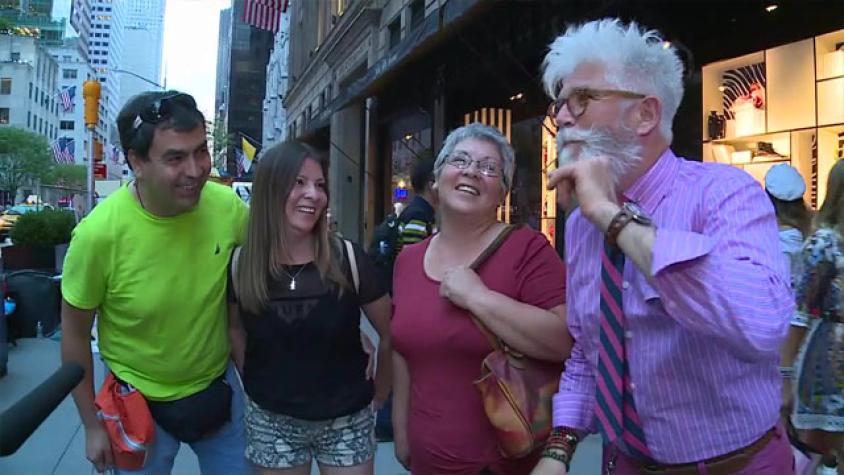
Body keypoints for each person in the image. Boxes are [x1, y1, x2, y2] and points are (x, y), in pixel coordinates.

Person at [531, 19, 794, 475]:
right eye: (560, 104)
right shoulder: (580, 226)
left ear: (645, 115)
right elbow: (588, 349)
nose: (564, 117)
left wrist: (614, 220)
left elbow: (762, 323)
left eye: (583, 99)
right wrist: (559, 448)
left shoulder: (724, 193)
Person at [61, 91, 250, 474]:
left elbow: (275, 270)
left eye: (201, 151)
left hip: (217, 389)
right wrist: (91, 426)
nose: (196, 170)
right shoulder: (97, 236)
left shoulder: (229, 208)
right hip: (136, 403)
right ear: (137, 162)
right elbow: (75, 334)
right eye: (175, 158)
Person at [391, 123, 570, 474]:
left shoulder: (528, 250)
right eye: (461, 160)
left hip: (501, 463)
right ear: (437, 177)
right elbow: (402, 348)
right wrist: (401, 430)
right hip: (427, 461)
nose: (472, 171)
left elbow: (564, 340)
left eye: (490, 168)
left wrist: (479, 298)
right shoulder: (408, 261)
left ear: (503, 192)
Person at [227, 141, 392, 475]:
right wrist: (259, 384)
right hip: (272, 420)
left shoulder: (349, 259)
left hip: (347, 418)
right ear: (271, 190)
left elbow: (393, 333)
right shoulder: (242, 264)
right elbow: (235, 329)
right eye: (299, 182)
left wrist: (380, 395)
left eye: (320, 185)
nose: (314, 195)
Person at [373, 156, 437, 442]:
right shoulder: (419, 216)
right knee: (404, 360)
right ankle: (388, 419)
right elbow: (414, 262)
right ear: (432, 184)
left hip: (403, 298)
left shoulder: (416, 213)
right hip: (410, 300)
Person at [789, 159, 844, 475]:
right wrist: (785, 373)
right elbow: (800, 310)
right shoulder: (824, 241)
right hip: (829, 355)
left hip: (829, 346)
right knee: (815, 446)